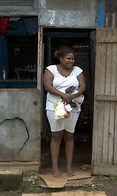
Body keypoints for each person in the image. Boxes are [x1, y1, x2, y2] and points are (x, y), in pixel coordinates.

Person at [43, 47, 86, 177]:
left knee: (69, 136)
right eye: (68, 58)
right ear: (60, 58)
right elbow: (47, 86)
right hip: (54, 106)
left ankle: (69, 167)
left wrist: (72, 96)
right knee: (56, 137)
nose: (71, 61)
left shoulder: (77, 70)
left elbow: (83, 86)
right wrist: (63, 95)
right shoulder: (51, 70)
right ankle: (55, 167)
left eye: (72, 59)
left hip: (71, 106)